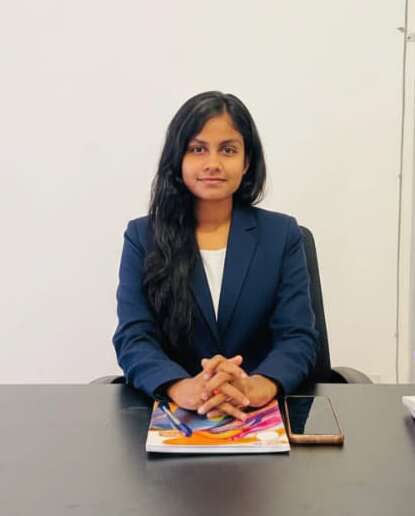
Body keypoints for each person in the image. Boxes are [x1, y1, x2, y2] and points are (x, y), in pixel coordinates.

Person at [112, 91, 319, 421]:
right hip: (176, 413)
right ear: (178, 159)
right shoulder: (142, 237)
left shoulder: (281, 235)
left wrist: (257, 385)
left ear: (246, 161)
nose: (213, 163)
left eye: (228, 150)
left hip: (260, 412)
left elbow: (297, 337)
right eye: (197, 149)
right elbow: (134, 337)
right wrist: (180, 386)